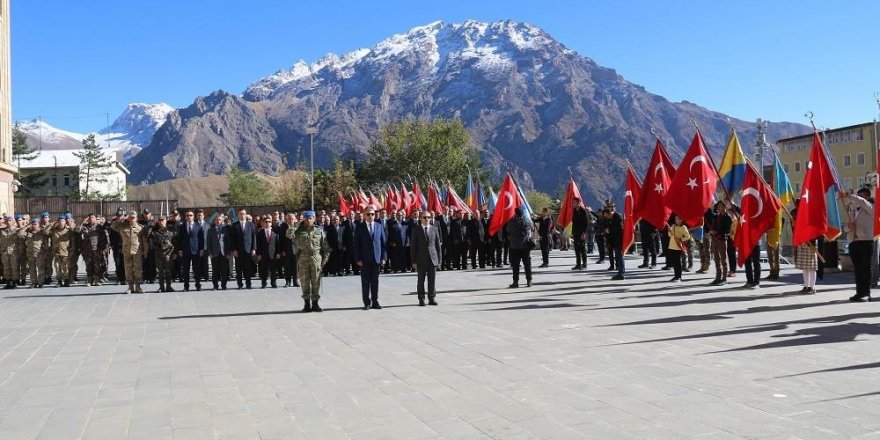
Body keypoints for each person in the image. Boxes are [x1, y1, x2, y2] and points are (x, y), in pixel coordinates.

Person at [292, 210, 330, 312]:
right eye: (306, 218)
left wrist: (324, 261)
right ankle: (306, 304)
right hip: (303, 258)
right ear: (303, 219)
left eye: (310, 218)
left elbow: (326, 248)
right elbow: (289, 235)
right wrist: (296, 225)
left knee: (316, 282)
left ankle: (315, 304)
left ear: (314, 219)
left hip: (316, 258)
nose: (308, 220)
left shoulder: (320, 231)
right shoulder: (299, 230)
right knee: (304, 282)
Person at [841, 188, 874, 302]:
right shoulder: (853, 210)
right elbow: (846, 226)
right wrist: (848, 227)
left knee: (865, 269)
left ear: (867, 197)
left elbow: (862, 202)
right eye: (858, 196)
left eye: (862, 196)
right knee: (858, 270)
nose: (859, 198)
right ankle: (859, 292)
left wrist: (849, 195)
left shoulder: (870, 208)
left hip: (865, 242)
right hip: (854, 242)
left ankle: (866, 293)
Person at [353, 207, 387, 310]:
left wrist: (383, 258)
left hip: (376, 259)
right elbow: (356, 245)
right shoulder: (359, 227)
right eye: (368, 214)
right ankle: (366, 303)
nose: (371, 216)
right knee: (365, 282)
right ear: (364, 215)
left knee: (375, 281)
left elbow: (383, 244)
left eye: (372, 214)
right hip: (364, 260)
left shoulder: (379, 226)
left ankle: (375, 301)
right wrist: (358, 259)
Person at [410, 210, 442, 306]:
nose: (427, 219)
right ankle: (421, 298)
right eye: (424, 217)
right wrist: (413, 261)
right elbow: (413, 247)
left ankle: (431, 298)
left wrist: (439, 260)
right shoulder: (416, 230)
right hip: (421, 260)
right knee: (421, 280)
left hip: (433, 259)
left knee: (432, 280)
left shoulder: (434, 229)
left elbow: (438, 246)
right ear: (420, 219)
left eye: (428, 217)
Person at [111, 211, 147, 294]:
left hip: (137, 251)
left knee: (138, 269)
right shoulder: (122, 226)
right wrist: (120, 219)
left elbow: (144, 241)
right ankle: (130, 287)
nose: (132, 219)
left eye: (133, 217)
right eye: (130, 217)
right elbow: (113, 226)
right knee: (128, 269)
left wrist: (145, 251)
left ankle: (138, 287)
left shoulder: (141, 228)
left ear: (137, 218)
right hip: (127, 251)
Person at [175, 210, 205, 291]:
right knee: (185, 270)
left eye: (191, 215)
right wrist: (180, 250)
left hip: (196, 251)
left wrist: (202, 249)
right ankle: (186, 286)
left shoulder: (198, 226)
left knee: (197, 269)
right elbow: (179, 239)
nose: (189, 217)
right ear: (185, 217)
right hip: (185, 251)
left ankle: (198, 285)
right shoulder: (182, 226)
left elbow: (201, 239)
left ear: (194, 216)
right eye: (187, 215)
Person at [148, 215, 177, 292]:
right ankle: (161, 287)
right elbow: (151, 242)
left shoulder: (171, 231)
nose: (161, 222)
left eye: (163, 220)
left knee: (168, 271)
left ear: (166, 221)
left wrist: (175, 252)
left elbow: (175, 242)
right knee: (160, 272)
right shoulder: (154, 232)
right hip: (158, 253)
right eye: (160, 220)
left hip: (168, 254)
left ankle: (169, 286)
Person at [79, 214, 110, 286]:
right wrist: (83, 222)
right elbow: (78, 231)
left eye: (93, 217)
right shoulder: (85, 227)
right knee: (89, 265)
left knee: (97, 265)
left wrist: (104, 247)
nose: (91, 219)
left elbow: (105, 237)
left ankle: (97, 280)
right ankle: (90, 280)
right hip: (87, 250)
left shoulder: (99, 227)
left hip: (97, 249)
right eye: (89, 218)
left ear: (95, 219)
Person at [230, 209, 256, 289]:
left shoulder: (251, 225)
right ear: (238, 215)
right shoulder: (234, 225)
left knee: (248, 268)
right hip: (238, 251)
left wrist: (253, 249)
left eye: (243, 214)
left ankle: (248, 284)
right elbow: (232, 239)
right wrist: (234, 250)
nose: (242, 215)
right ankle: (240, 284)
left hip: (248, 250)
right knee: (238, 269)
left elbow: (253, 237)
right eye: (240, 214)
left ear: (246, 214)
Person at [506, 208, 533, 288]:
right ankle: (529, 281)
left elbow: (508, 230)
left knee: (515, 266)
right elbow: (531, 227)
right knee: (527, 265)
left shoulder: (512, 221)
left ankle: (515, 282)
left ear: (515, 213)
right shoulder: (527, 220)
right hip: (525, 246)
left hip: (515, 246)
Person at [205, 214, 231, 290]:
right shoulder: (210, 230)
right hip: (214, 253)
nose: (218, 221)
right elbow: (208, 243)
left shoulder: (225, 230)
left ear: (222, 221)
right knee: (215, 270)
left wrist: (228, 253)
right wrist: (210, 253)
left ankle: (224, 285)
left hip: (224, 253)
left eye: (220, 220)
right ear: (215, 221)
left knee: (224, 270)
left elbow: (228, 242)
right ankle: (215, 285)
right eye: (217, 220)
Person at [709, 202, 731, 286]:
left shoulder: (727, 217)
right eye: (718, 206)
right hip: (715, 240)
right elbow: (713, 226)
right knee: (717, 259)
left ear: (725, 207)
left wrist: (717, 232)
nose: (719, 208)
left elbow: (727, 230)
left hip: (722, 239)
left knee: (723, 259)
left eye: (721, 206)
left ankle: (724, 278)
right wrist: (711, 232)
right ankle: (718, 277)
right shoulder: (716, 216)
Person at [255, 217, 280, 288]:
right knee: (263, 270)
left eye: (269, 222)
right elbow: (258, 245)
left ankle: (273, 283)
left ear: (271, 223)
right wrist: (258, 254)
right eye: (266, 222)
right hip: (263, 255)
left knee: (273, 270)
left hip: (273, 254)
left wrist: (278, 253)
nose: (267, 223)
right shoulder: (259, 233)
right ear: (263, 223)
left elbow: (277, 244)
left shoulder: (275, 233)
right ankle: (263, 283)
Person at [22, 219, 47, 288]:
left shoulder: (42, 232)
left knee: (40, 269)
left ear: (38, 225)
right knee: (32, 269)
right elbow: (20, 234)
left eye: (35, 224)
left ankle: (40, 282)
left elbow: (46, 244)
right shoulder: (28, 232)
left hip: (39, 254)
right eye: (33, 224)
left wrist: (45, 253)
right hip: (30, 254)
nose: (34, 226)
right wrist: (26, 226)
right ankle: (34, 282)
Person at [666, 214, 691, 282]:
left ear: (682, 220)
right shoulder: (673, 226)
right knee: (674, 262)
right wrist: (669, 231)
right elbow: (670, 235)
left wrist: (680, 239)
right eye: (676, 219)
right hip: (672, 246)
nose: (677, 220)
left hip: (678, 246)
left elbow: (687, 236)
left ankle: (679, 276)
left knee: (677, 262)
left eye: (679, 219)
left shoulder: (683, 227)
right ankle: (675, 275)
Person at [604, 205, 625, 280]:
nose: (607, 218)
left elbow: (619, 230)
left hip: (619, 240)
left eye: (607, 216)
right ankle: (620, 272)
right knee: (618, 256)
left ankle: (621, 273)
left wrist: (609, 230)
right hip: (615, 240)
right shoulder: (612, 218)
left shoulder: (618, 216)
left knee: (619, 256)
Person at [0, 216, 19, 289]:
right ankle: (8, 282)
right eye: (7, 220)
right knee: (6, 267)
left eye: (10, 220)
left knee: (14, 267)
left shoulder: (16, 230)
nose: (8, 222)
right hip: (4, 252)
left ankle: (14, 282)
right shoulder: (2, 230)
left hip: (13, 252)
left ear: (13, 221)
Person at [571, 199, 588, 269]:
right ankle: (578, 264)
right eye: (573, 202)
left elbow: (586, 223)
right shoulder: (574, 210)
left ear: (578, 203)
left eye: (574, 202)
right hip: (575, 232)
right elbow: (573, 222)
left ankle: (584, 264)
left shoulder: (583, 211)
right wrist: (572, 232)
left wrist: (584, 233)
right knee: (576, 249)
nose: (573, 204)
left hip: (581, 232)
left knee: (582, 248)